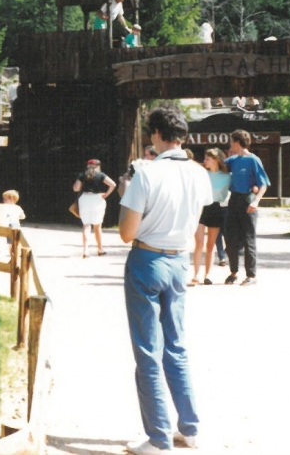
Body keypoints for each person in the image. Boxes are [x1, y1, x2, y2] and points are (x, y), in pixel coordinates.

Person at [119, 104, 213, 455]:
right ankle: (189, 428)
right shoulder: (198, 173)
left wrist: (127, 199)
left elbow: (126, 233)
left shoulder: (146, 173)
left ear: (156, 134)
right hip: (179, 261)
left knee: (148, 351)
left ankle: (158, 438)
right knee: (176, 345)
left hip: (147, 258)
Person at [224, 129, 270, 286]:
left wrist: (256, 201)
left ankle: (251, 275)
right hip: (234, 200)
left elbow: (263, 184)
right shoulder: (232, 160)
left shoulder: (253, 160)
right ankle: (233, 272)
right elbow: (217, 166)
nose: (230, 144)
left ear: (237, 142)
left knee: (248, 238)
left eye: (232, 141)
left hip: (247, 200)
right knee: (230, 238)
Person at [191, 149, 231, 285]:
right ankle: (196, 275)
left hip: (216, 208)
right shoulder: (202, 174)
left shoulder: (227, 176)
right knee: (199, 242)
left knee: (210, 245)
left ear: (216, 160)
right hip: (201, 208)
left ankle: (207, 275)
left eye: (207, 159)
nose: (204, 161)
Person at [72, 159, 116, 258]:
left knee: (86, 225)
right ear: (98, 166)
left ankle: (85, 250)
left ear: (87, 166)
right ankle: (100, 249)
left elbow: (76, 188)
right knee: (97, 226)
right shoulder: (101, 175)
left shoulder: (82, 175)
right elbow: (113, 184)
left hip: (85, 199)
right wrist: (106, 194)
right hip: (97, 199)